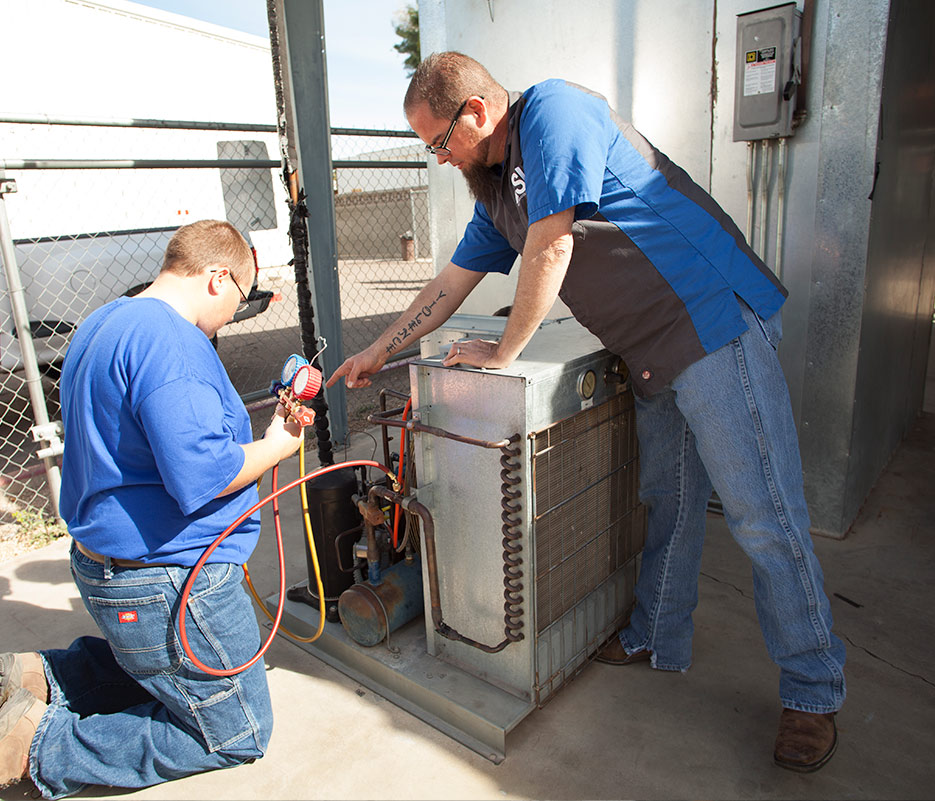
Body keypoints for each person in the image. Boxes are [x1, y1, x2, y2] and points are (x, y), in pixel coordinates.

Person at [327, 51, 846, 773]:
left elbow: (553, 242)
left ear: (476, 112)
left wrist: (506, 350)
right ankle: (657, 631)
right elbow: (450, 282)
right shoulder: (496, 189)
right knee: (667, 495)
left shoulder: (556, 114)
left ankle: (814, 688)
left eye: (439, 143)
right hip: (651, 348)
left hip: (709, 321)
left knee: (763, 515)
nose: (440, 159)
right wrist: (379, 350)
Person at [0, 219, 304, 800]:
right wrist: (277, 445)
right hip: (170, 579)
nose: (237, 310)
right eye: (242, 294)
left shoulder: (105, 320)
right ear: (217, 278)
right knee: (237, 732)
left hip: (108, 566)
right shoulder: (174, 345)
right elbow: (202, 477)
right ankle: (38, 747)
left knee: (165, 668)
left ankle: (44, 677)